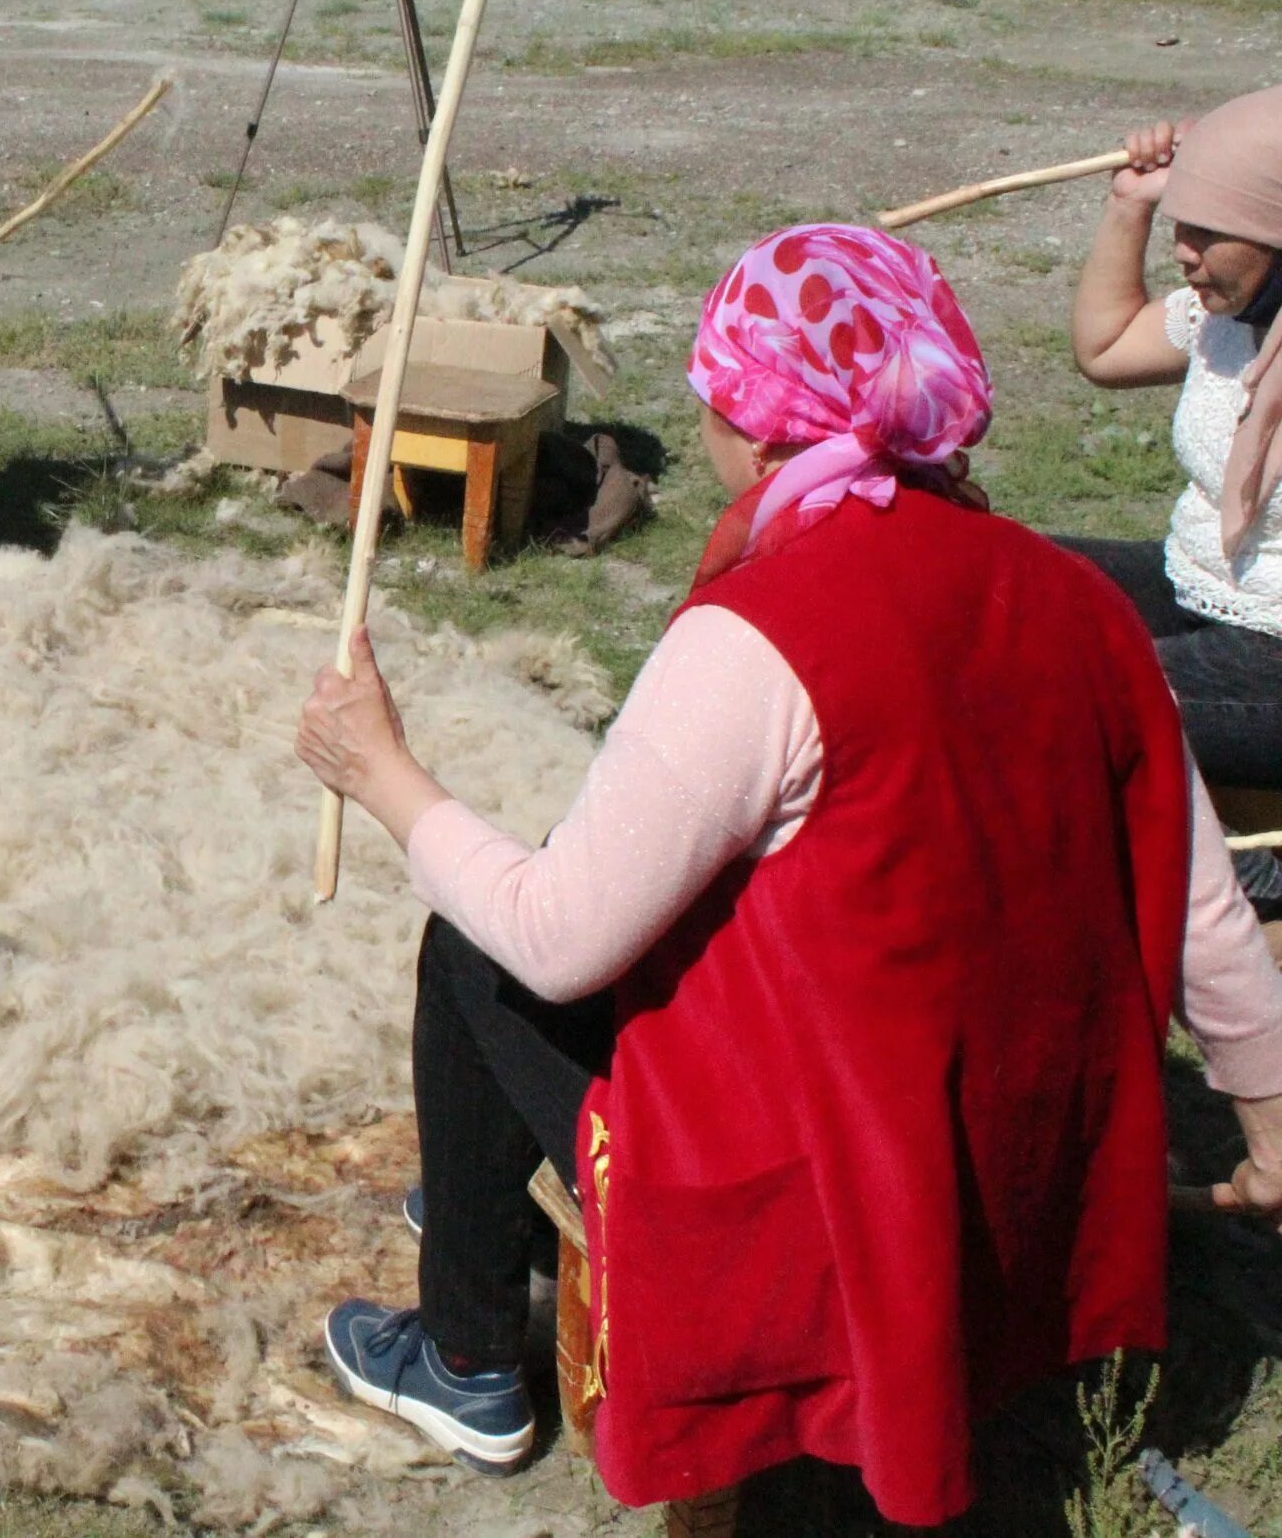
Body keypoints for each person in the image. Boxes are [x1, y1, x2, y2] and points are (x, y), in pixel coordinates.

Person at [295, 225, 1282, 1525]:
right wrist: (1270, 1125)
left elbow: (556, 939)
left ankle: (468, 1359)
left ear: (758, 429)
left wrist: (382, 772)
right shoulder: (1076, 599)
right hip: (1024, 1169)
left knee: (478, 939)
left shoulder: (761, 638)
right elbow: (1209, 910)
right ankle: (481, 1192)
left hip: (835, 1197)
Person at [1067, 87, 1282, 906]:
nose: (1183, 252)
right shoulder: (1226, 312)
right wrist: (1132, 205)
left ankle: (1227, 873)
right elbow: (1107, 347)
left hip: (1275, 650)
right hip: (1197, 585)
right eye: (1180, 226)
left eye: (1208, 231)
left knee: (1067, 695)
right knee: (998, 578)